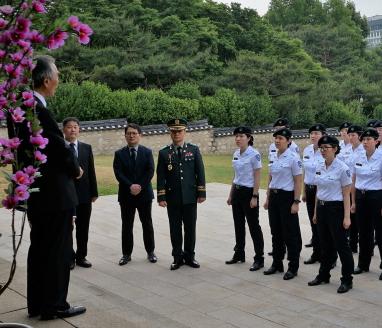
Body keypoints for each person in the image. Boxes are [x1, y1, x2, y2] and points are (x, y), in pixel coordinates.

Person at [7, 56, 86, 319]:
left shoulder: (19, 110)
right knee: (58, 252)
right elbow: (58, 147)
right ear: (46, 80)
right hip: (54, 196)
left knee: (39, 249)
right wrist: (76, 168)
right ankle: (54, 305)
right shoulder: (37, 110)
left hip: (37, 194)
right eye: (57, 76)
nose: (59, 81)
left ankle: (38, 304)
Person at [157, 118, 206, 270]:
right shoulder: (164, 153)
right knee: (175, 229)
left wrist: (201, 192)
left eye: (179, 131)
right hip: (173, 198)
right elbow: (161, 176)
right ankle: (177, 257)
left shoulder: (194, 150)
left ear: (184, 132)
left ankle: (190, 256)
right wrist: (161, 196)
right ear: (170, 133)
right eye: (173, 131)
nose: (176, 133)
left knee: (190, 228)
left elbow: (200, 172)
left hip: (190, 197)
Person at [308, 135, 354, 293]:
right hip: (321, 208)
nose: (322, 151)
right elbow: (318, 191)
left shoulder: (343, 168)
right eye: (321, 148)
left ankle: (347, 280)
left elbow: (346, 194)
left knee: (342, 246)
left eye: (326, 148)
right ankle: (323, 275)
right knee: (325, 245)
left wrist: (347, 217)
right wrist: (315, 212)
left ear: (335, 149)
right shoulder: (320, 166)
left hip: (336, 210)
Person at [113, 123, 157, 265]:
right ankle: (126, 254)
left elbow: (150, 171)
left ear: (140, 135)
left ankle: (151, 252)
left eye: (134, 133)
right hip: (126, 195)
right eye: (129, 133)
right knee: (127, 225)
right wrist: (130, 186)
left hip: (144, 195)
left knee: (147, 223)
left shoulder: (147, 152)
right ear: (125, 136)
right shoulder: (119, 154)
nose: (131, 136)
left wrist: (140, 186)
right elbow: (118, 173)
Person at [263, 128, 302, 280]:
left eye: (280, 138)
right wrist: (267, 197)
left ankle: (293, 266)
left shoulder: (293, 158)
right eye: (276, 138)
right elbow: (270, 177)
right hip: (274, 196)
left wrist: (296, 201)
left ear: (288, 141)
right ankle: (277, 263)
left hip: (287, 198)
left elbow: (298, 180)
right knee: (276, 231)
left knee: (290, 233)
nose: (277, 141)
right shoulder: (273, 156)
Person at [226, 126, 264, 271]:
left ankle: (259, 258)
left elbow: (257, 176)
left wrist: (254, 196)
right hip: (237, 191)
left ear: (249, 138)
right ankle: (239, 253)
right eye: (236, 136)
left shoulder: (254, 154)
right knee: (238, 224)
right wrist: (231, 194)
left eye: (241, 136)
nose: (238, 139)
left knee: (254, 226)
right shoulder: (236, 153)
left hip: (249, 193)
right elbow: (235, 176)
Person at [62, 117, 98, 269]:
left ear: (79, 129)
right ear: (64, 130)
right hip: (66, 196)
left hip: (84, 195)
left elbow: (91, 171)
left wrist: (94, 192)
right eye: (69, 127)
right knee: (67, 228)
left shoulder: (86, 148)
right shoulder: (60, 149)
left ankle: (81, 256)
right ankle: (69, 258)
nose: (72, 130)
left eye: (75, 127)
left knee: (83, 228)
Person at [351, 128, 382, 280]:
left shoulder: (381, 157)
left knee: (380, 232)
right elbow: (354, 179)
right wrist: (353, 201)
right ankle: (363, 264)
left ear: (376, 141)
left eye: (369, 139)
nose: (365, 142)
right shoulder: (358, 156)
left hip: (376, 197)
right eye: (363, 139)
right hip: (360, 196)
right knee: (363, 232)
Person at [302, 124, 326, 265]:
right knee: (313, 222)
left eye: (316, 133)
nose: (313, 135)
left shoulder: (326, 151)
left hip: (322, 191)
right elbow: (306, 171)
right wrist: (304, 191)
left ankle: (328, 255)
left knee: (324, 225)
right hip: (310, 190)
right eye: (311, 133)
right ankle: (317, 253)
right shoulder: (307, 150)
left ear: (323, 134)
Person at [345, 125, 365, 253]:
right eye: (349, 135)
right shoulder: (346, 149)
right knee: (350, 217)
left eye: (353, 135)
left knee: (360, 221)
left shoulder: (363, 151)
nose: (351, 137)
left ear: (359, 136)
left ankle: (363, 246)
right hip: (347, 187)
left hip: (359, 186)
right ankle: (352, 245)